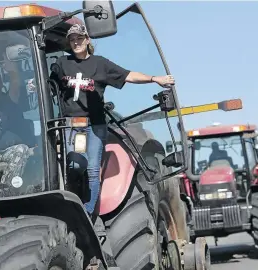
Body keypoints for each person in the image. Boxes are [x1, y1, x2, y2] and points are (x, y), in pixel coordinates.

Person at [50, 23, 175, 218]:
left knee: (92, 169)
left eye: (79, 39)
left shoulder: (100, 64)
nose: (76, 43)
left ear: (87, 40)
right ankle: (73, 201)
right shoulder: (62, 63)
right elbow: (48, 83)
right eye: (72, 40)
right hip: (73, 125)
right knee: (74, 164)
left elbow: (128, 75)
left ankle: (88, 214)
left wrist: (154, 79)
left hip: (95, 126)